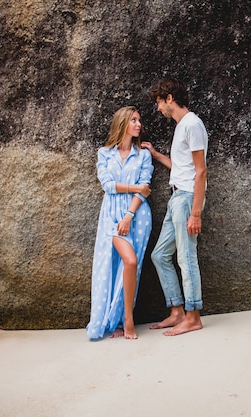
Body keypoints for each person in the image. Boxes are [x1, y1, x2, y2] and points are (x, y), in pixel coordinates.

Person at [141, 77, 208, 336]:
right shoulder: (181, 126)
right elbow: (183, 167)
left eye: (159, 102)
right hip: (176, 197)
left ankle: (193, 317)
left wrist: (196, 213)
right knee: (159, 255)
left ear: (170, 99)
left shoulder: (192, 124)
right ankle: (177, 311)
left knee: (186, 256)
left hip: (187, 199)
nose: (158, 108)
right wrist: (157, 155)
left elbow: (201, 172)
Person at [86, 106, 153, 340]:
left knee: (131, 265)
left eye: (139, 120)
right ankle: (121, 320)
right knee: (120, 263)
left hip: (136, 215)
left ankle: (125, 319)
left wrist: (129, 215)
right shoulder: (105, 153)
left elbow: (146, 187)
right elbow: (108, 185)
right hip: (111, 215)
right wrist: (136, 187)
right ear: (123, 123)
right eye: (133, 120)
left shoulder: (143, 154)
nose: (138, 124)